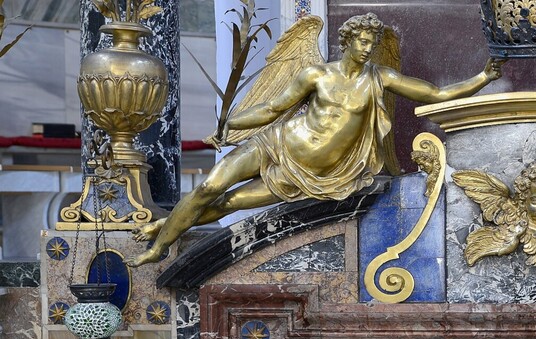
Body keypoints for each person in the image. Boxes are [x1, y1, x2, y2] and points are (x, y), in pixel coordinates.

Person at [129, 13, 504, 267]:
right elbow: (273, 108)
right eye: (361, 40)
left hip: (310, 173)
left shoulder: (380, 77)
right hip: (276, 143)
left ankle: (165, 227)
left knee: (231, 203)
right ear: (346, 41)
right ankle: (160, 247)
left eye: (372, 42)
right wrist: (230, 127)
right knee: (210, 186)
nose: (367, 47)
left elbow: (434, 95)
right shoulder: (316, 74)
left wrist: (483, 78)